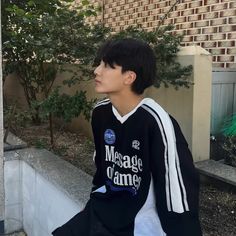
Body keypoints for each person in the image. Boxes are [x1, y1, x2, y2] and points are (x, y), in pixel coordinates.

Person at [52, 38, 202, 236]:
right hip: (103, 209)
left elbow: (178, 190)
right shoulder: (100, 112)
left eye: (106, 66)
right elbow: (103, 169)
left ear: (129, 77)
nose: (96, 71)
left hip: (139, 221)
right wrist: (92, 204)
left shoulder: (156, 121)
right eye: (99, 64)